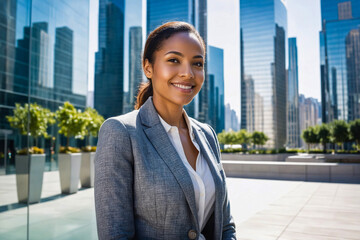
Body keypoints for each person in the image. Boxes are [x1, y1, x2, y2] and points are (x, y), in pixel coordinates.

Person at [94, 21, 236, 240]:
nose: (188, 73)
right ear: (148, 67)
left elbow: (225, 226)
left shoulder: (207, 135)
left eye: (197, 64)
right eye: (174, 60)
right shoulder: (120, 132)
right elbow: (116, 234)